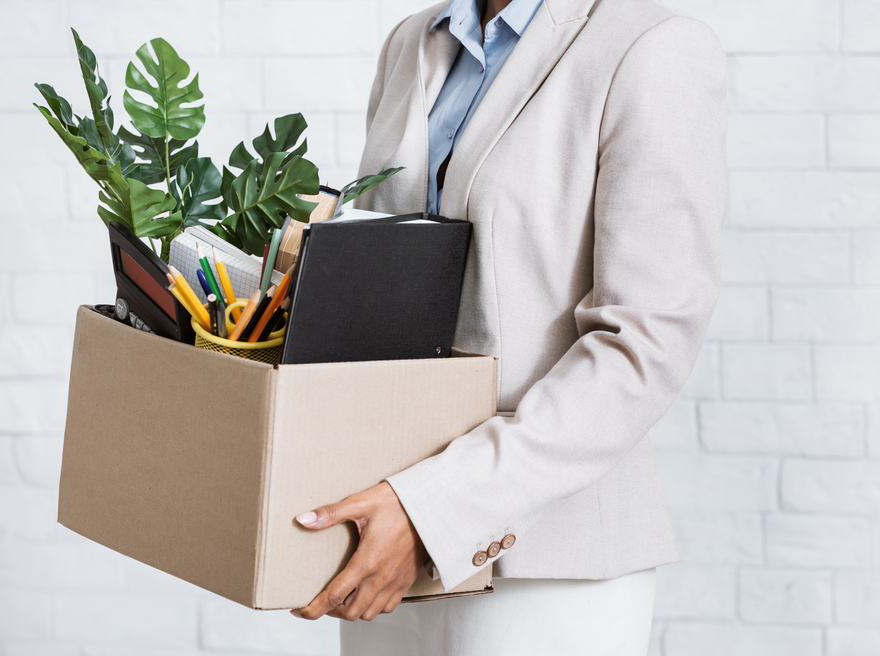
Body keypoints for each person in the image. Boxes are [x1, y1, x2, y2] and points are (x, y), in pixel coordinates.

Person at [290, 0, 727, 653]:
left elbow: (642, 344)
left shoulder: (652, 45)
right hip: (382, 540)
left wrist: (432, 509)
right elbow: (388, 278)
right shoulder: (412, 42)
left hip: (547, 566)